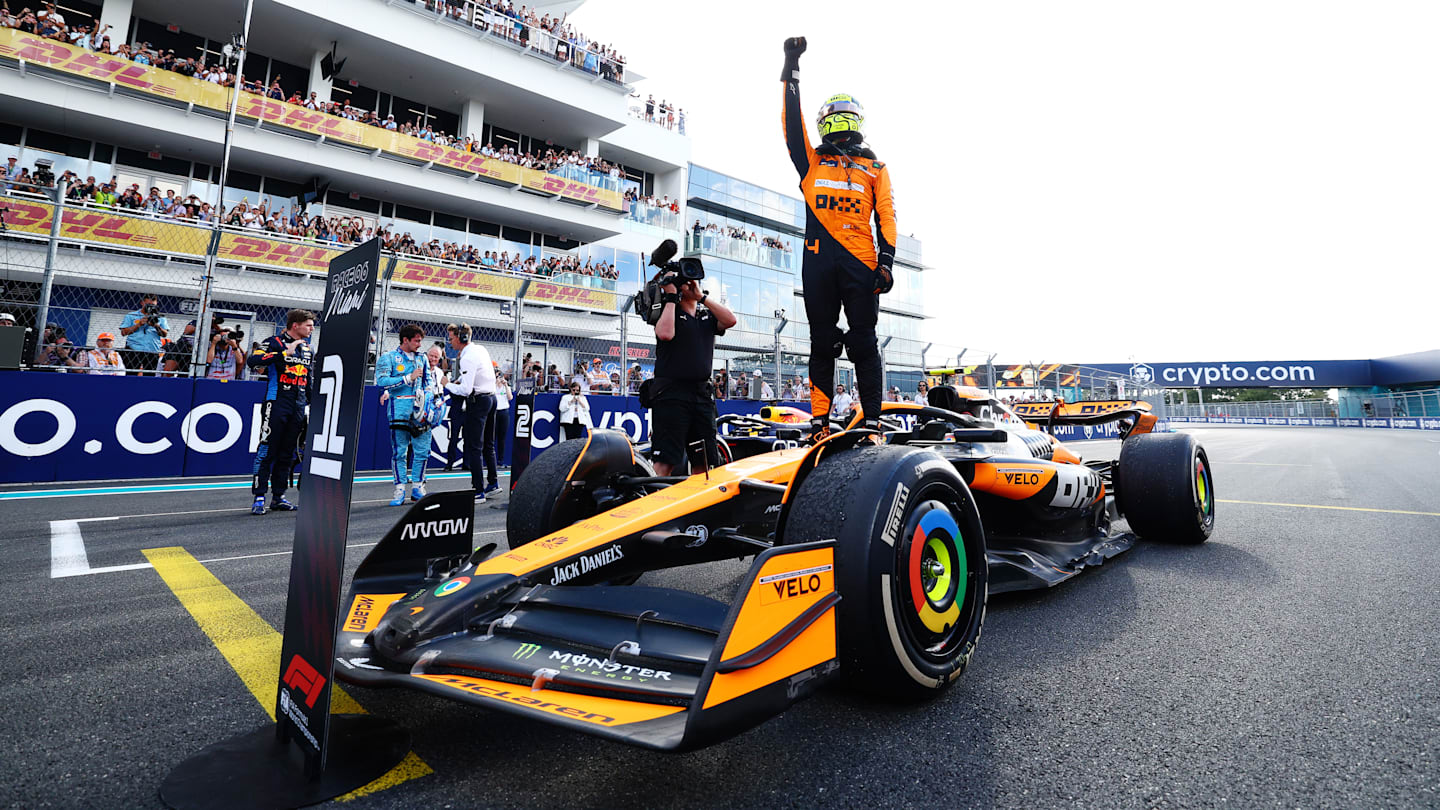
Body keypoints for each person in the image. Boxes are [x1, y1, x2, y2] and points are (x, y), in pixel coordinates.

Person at [781, 37, 898, 441]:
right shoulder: (811, 160)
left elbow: (886, 214)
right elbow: (790, 121)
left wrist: (887, 261)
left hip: (860, 262)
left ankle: (871, 422)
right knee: (822, 342)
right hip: (820, 262)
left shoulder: (875, 166)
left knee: (863, 341)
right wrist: (791, 65)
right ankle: (819, 423)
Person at [650, 272, 737, 476]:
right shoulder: (667, 312)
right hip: (671, 394)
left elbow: (731, 320)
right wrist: (671, 296)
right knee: (665, 461)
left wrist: (701, 297)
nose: (688, 284)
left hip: (701, 395)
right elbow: (665, 333)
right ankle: (654, 503)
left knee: (704, 462)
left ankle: (699, 506)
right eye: (683, 282)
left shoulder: (706, 316)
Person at [246, 309, 315, 516]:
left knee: (287, 453)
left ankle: (278, 497)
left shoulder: (308, 349)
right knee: (267, 450)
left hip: (298, 406)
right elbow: (253, 361)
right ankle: (259, 497)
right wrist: (285, 353)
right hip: (276, 403)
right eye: (308, 325)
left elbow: (308, 379)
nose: (311, 329)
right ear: (296, 325)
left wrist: (311, 405)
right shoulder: (274, 341)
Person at [376, 325, 434, 506]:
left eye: (420, 341)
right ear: (405, 340)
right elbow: (382, 381)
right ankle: (399, 489)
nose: (419, 344)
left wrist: (428, 398)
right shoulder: (389, 357)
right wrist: (407, 378)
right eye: (416, 340)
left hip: (420, 413)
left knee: (422, 451)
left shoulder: (422, 358)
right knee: (400, 451)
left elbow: (428, 382)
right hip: (398, 411)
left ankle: (418, 487)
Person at [443, 323, 497, 502]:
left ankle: (478, 490)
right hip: (491, 398)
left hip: (478, 401)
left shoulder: (467, 358)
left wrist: (447, 384)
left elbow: (465, 390)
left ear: (461, 338)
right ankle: (493, 483)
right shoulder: (480, 349)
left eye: (451, 338)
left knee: (474, 447)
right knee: (488, 444)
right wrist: (458, 380)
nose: (450, 342)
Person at [118, 293, 169, 376]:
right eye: (148, 304)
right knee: (131, 374)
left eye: (153, 305)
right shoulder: (131, 315)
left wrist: (156, 326)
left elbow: (165, 334)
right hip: (134, 349)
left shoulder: (161, 317)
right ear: (142, 303)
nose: (150, 307)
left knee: (150, 376)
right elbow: (123, 332)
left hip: (152, 350)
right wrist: (139, 324)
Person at [442, 325, 467, 472]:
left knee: (469, 439)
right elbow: (453, 393)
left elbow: (468, 391)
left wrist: (459, 389)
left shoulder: (469, 377)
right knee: (454, 438)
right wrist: (456, 387)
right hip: (457, 411)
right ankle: (449, 463)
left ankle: (467, 464)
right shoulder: (455, 378)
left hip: (469, 411)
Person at [485, 369, 512, 494]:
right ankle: (493, 461)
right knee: (492, 437)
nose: (499, 378)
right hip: (494, 411)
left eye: (500, 376)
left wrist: (505, 385)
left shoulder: (505, 386)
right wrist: (496, 384)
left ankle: (501, 460)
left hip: (504, 412)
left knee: (502, 437)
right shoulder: (492, 387)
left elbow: (510, 397)